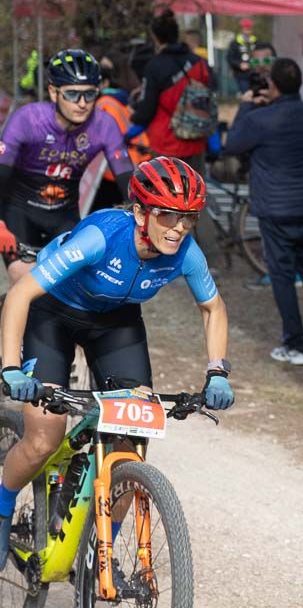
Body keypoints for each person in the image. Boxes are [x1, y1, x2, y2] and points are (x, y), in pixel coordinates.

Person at [0, 157, 234, 571]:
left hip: (116, 322)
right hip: (53, 313)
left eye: (189, 219)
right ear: (142, 212)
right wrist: (10, 367)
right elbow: (21, 294)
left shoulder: (185, 253)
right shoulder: (100, 237)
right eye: (168, 215)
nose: (178, 228)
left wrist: (217, 369)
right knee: (43, 439)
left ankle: (98, 554)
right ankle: (2, 507)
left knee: (131, 446)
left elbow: (212, 308)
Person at [225, 57, 303, 366]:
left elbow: (231, 145)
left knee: (283, 277)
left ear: (272, 85)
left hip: (274, 211)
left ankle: (296, 344)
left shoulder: (260, 119)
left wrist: (247, 106)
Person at [0, 49, 133, 286]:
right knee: (23, 281)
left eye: (90, 95)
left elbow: (126, 175)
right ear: (53, 92)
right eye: (72, 94)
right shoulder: (28, 119)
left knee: (68, 288)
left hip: (64, 214)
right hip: (19, 211)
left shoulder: (104, 124)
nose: (82, 104)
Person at [130, 10, 220, 255]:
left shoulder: (155, 65)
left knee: (167, 204)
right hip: (196, 142)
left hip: (167, 145)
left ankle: (169, 254)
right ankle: (210, 257)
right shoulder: (199, 63)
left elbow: (146, 109)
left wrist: (131, 125)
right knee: (198, 201)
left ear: (155, 37)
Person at [92, 55, 151, 211]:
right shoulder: (121, 101)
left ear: (104, 83)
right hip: (134, 161)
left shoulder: (103, 104)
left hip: (113, 169)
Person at [227, 17, 258, 93]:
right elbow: (230, 58)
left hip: (254, 73)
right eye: (246, 28)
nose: (248, 30)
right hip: (241, 74)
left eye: (249, 28)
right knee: (246, 92)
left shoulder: (255, 42)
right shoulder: (235, 43)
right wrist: (239, 64)